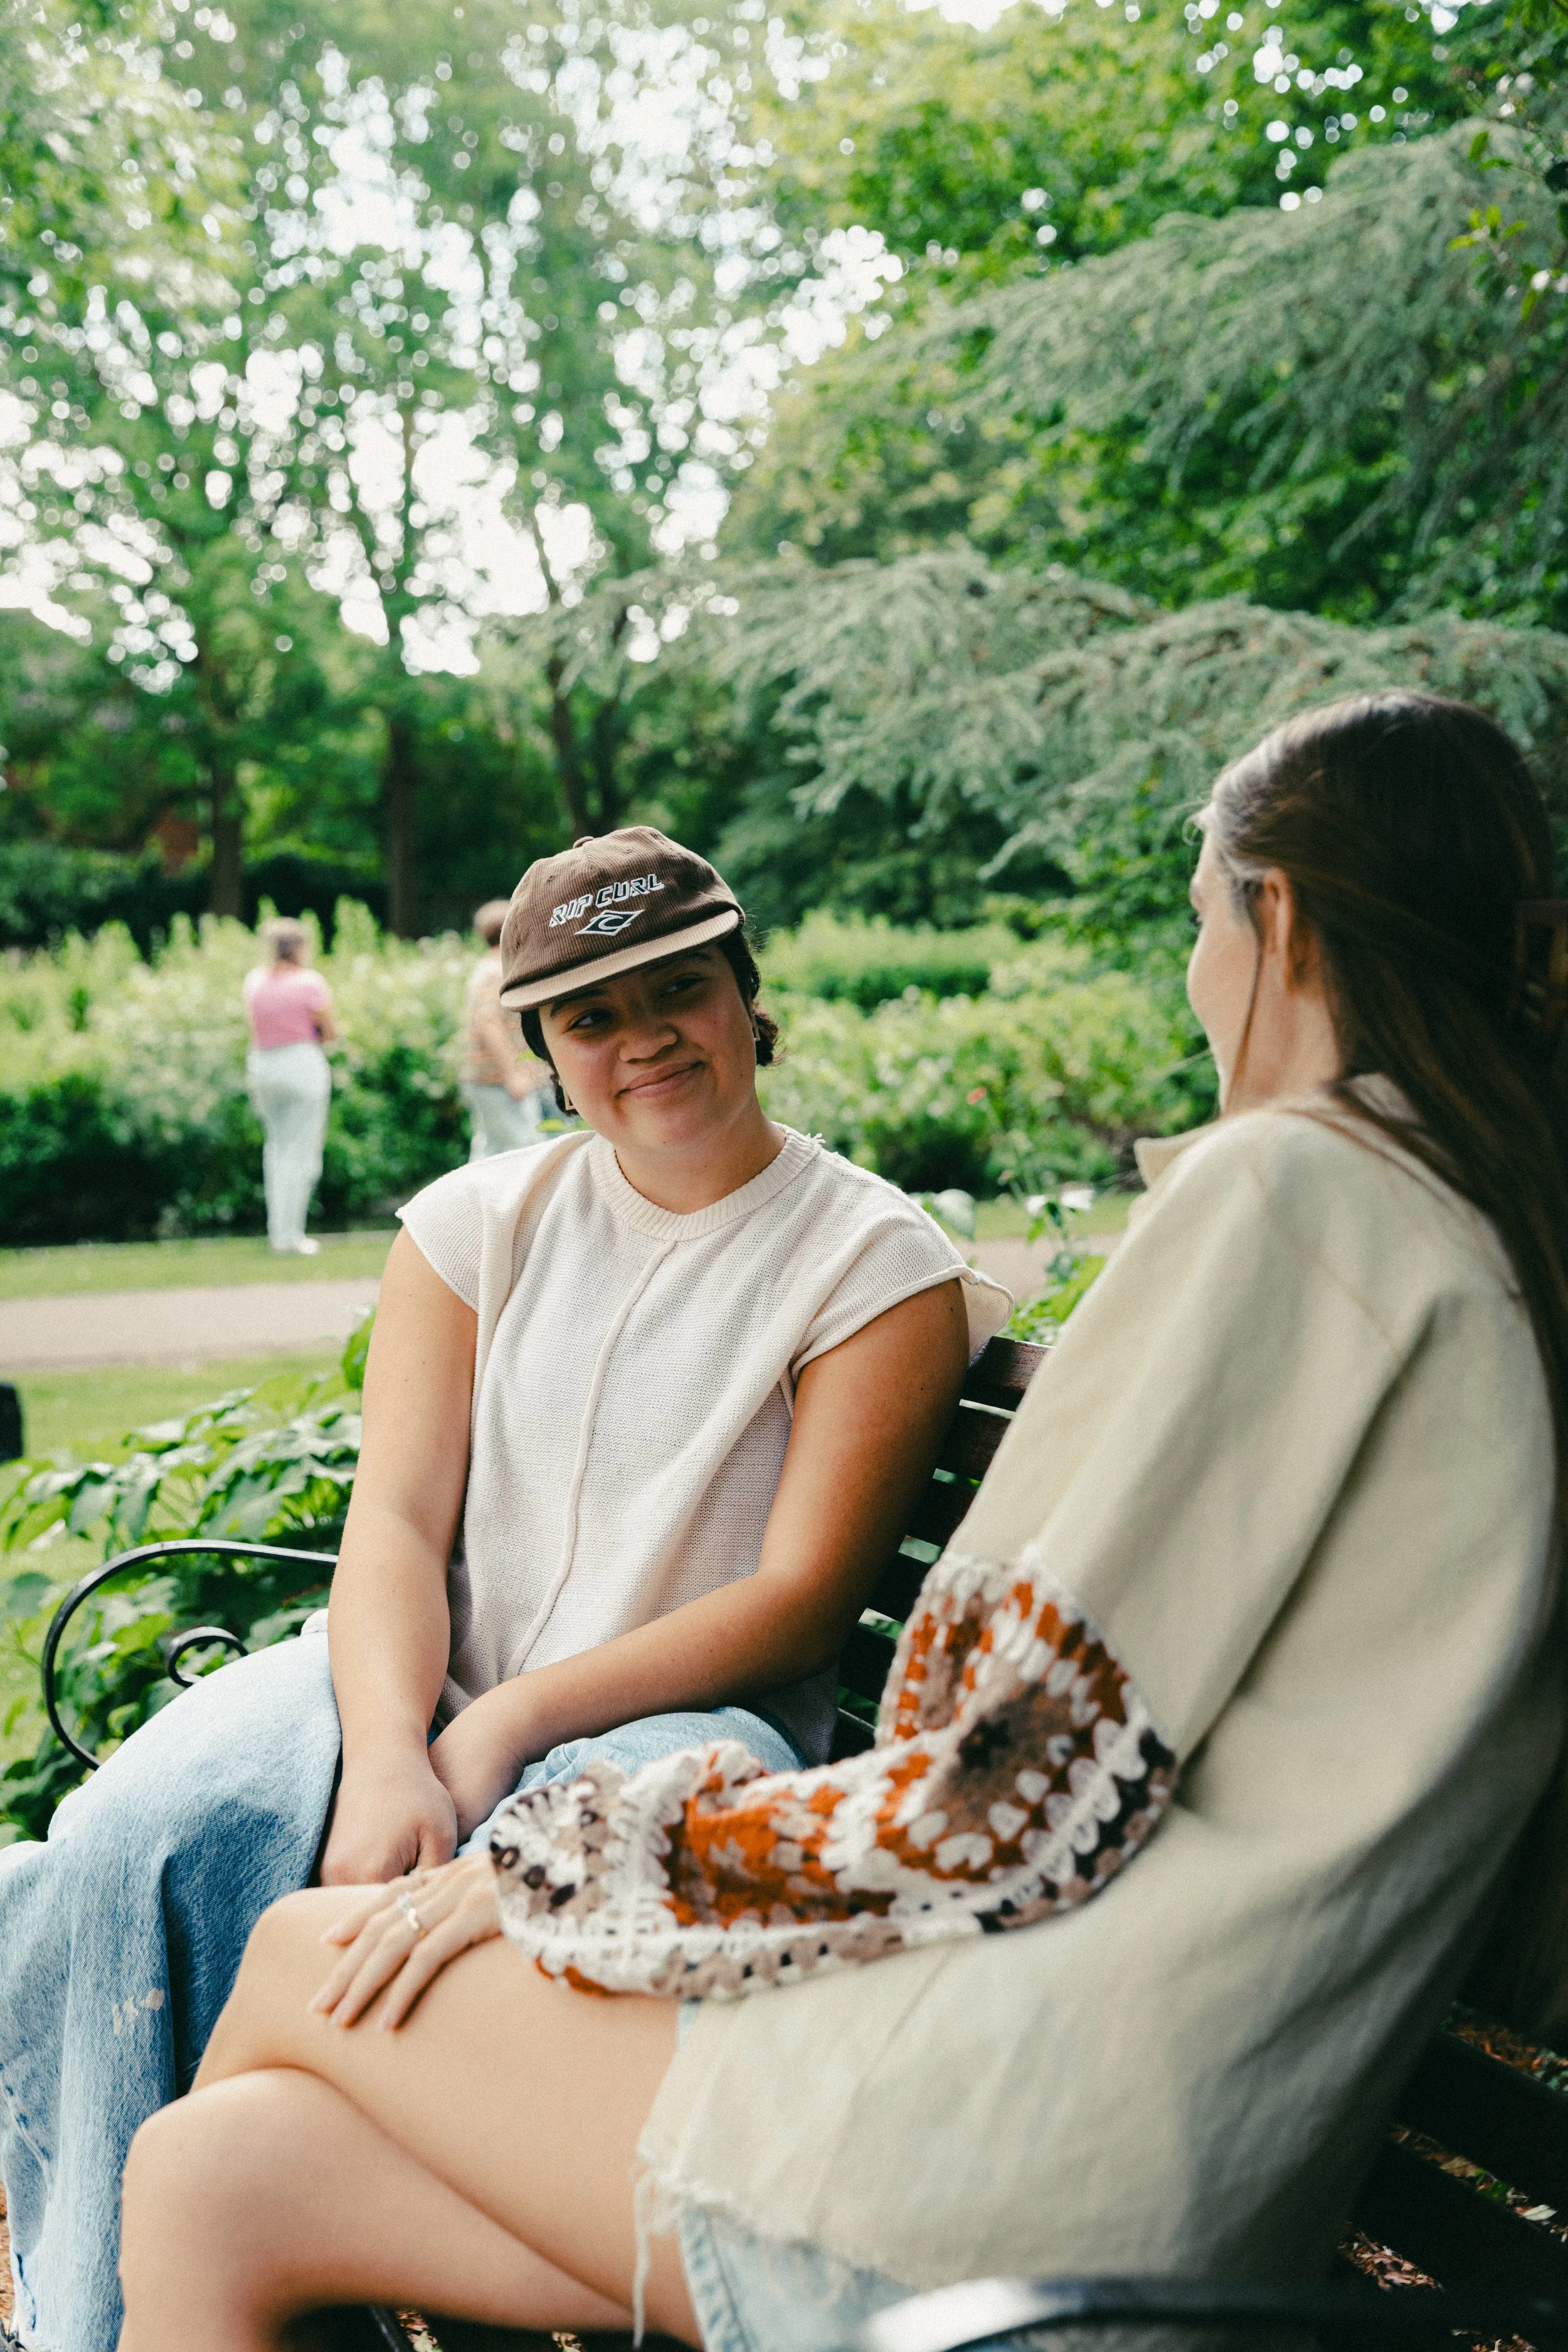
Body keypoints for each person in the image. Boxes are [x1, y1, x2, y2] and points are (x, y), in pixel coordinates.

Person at [119, 691, 1568, 2352]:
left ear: (1277, 916)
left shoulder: (1296, 1194)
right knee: (219, 2179)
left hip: (992, 2164)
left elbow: (1003, 1794)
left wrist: (584, 1859)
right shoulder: (1492, 1217)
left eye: (1192, 919)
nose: (1193, 974)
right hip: (1147, 2135)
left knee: (311, 1948)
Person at [0, 827, 1006, 2352]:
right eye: (590, 1013)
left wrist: (506, 1724)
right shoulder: (474, 1225)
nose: (642, 1036)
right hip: (430, 1668)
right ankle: (98, 2316)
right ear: (541, 1046)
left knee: (411, 1927)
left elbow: (801, 1598)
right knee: (143, 1835)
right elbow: (397, 1526)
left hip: (674, 1742)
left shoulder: (869, 1261)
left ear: (747, 995)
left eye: (678, 985)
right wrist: (399, 1739)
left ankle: (237, 2265)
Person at [242, 917, 337, 1256]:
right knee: (302, 1152)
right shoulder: (310, 983)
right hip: (301, 1064)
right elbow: (330, 1031)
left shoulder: (254, 981)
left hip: (263, 1065)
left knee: (277, 1149)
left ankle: (277, 1233)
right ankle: (292, 1235)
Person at [460, 899, 556, 1160]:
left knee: (491, 1151)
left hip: (486, 1079)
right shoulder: (496, 971)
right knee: (523, 1152)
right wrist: (512, 1073)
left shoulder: (486, 968)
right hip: (496, 1080)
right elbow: (488, 1020)